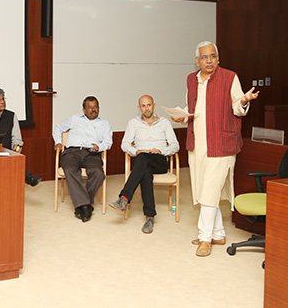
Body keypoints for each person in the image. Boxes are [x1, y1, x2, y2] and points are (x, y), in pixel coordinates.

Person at [172, 41, 259, 256]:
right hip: (197, 145)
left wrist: (245, 100)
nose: (209, 60)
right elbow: (191, 108)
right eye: (204, 57)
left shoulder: (230, 77)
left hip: (222, 144)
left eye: (213, 56)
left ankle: (205, 238)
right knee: (204, 189)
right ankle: (218, 234)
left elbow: (238, 108)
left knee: (210, 190)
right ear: (197, 61)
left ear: (218, 59)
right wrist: (181, 116)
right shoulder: (191, 80)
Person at [109, 95, 179, 234]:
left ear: (154, 105)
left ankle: (124, 198)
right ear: (139, 108)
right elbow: (125, 144)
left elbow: (175, 145)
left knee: (142, 160)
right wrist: (136, 151)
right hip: (142, 160)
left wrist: (162, 150)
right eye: (143, 106)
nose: (146, 108)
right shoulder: (133, 123)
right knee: (144, 169)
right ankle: (149, 217)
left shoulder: (164, 123)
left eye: (148, 105)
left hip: (159, 160)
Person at [53, 96, 112, 222]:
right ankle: (86, 205)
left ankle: (82, 205)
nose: (93, 110)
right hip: (72, 152)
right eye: (90, 108)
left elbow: (108, 141)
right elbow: (58, 127)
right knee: (69, 170)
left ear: (99, 108)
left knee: (98, 173)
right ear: (84, 110)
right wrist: (58, 142)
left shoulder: (104, 123)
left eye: (95, 107)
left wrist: (99, 147)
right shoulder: (75, 119)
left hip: (92, 153)